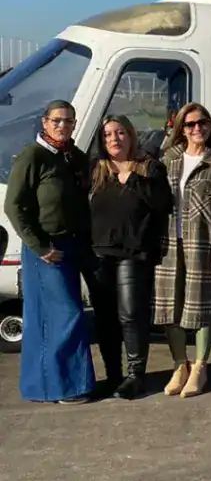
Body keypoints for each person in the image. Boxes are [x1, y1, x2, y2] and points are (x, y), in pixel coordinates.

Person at [4, 100, 94, 404]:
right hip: (47, 248)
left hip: (73, 244)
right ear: (45, 122)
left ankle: (44, 386)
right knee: (63, 315)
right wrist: (40, 246)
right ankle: (65, 387)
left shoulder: (72, 156)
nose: (63, 126)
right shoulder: (33, 156)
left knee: (57, 315)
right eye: (57, 121)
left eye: (69, 121)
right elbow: (14, 206)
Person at [153, 103, 211, 398]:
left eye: (202, 122)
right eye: (189, 125)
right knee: (170, 308)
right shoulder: (168, 160)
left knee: (203, 308)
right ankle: (180, 365)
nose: (197, 129)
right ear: (181, 129)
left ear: (210, 125)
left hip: (203, 246)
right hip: (167, 245)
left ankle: (200, 367)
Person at [89, 114, 173, 399]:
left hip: (133, 253)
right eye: (108, 134)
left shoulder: (149, 168)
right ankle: (113, 375)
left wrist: (132, 179)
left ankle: (136, 375)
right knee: (106, 318)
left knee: (130, 315)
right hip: (100, 253)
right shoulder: (96, 170)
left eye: (120, 132)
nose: (114, 139)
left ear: (131, 135)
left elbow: (163, 203)